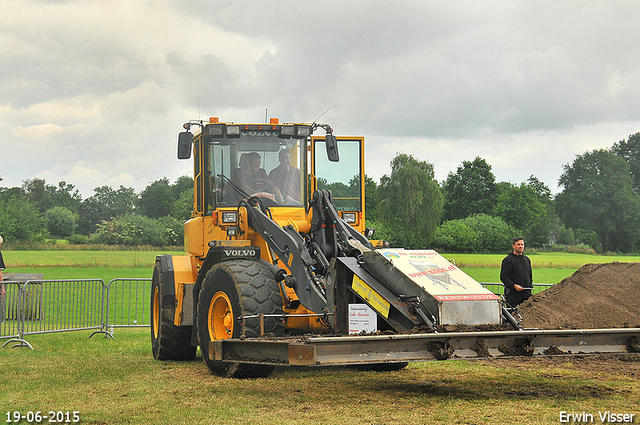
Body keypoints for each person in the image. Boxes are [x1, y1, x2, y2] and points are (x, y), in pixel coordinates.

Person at [500, 237, 532, 308]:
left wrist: (529, 286)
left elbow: (530, 275)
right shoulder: (508, 260)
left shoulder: (527, 260)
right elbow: (504, 277)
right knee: (511, 315)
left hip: (526, 293)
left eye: (522, 244)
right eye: (518, 244)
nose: (520, 246)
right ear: (513, 246)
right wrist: (514, 286)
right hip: (513, 294)